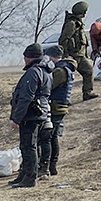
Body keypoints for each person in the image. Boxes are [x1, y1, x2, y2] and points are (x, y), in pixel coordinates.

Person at [9, 43, 52, 189]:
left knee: (29, 147)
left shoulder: (33, 72)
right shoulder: (46, 71)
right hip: (40, 113)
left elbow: (26, 97)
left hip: (31, 115)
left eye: (25, 56)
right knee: (29, 146)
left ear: (29, 57)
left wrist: (17, 118)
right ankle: (24, 174)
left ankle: (29, 177)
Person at [43, 45, 74, 178]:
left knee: (50, 137)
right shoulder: (64, 69)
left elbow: (48, 87)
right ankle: (51, 165)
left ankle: (51, 165)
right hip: (59, 106)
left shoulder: (60, 71)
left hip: (56, 107)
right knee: (52, 137)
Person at [58, 1, 97, 101]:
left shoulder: (78, 23)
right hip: (72, 56)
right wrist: (66, 55)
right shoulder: (71, 24)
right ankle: (63, 99)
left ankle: (87, 93)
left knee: (89, 71)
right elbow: (63, 39)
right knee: (66, 77)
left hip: (80, 56)